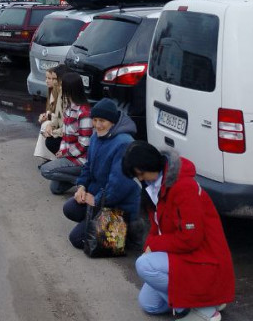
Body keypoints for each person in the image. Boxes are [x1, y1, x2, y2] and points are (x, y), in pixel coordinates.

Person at [123, 141, 235, 320]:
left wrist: (153, 244)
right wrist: (150, 245)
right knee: (149, 304)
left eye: (141, 174)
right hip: (186, 255)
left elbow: (191, 239)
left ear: (151, 164)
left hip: (204, 258)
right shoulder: (154, 186)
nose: (141, 179)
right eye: (138, 176)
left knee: (144, 265)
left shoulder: (184, 187)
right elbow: (156, 227)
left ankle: (198, 310)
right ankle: (206, 300)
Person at [62, 98, 141, 249]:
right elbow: (88, 166)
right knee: (70, 208)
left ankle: (126, 231)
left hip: (118, 204)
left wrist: (96, 200)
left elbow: (119, 186)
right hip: (101, 197)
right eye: (95, 120)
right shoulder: (95, 136)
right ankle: (98, 224)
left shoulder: (124, 143)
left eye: (102, 121)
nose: (97, 125)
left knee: (76, 239)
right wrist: (82, 186)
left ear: (112, 121)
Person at [39, 72, 92, 194]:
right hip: (69, 155)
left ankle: (84, 183)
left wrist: (65, 154)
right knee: (55, 189)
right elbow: (65, 134)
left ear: (70, 89)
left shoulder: (84, 113)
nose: (60, 89)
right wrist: (62, 150)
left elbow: (84, 145)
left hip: (81, 159)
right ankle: (79, 181)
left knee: (46, 170)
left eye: (63, 86)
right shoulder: (69, 107)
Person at [33, 66, 64, 163]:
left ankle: (53, 159)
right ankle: (48, 157)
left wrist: (49, 121)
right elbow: (51, 111)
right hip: (57, 124)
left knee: (46, 126)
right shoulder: (52, 91)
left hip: (61, 127)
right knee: (45, 125)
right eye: (47, 78)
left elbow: (59, 116)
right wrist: (45, 116)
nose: (47, 81)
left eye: (51, 78)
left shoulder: (60, 93)